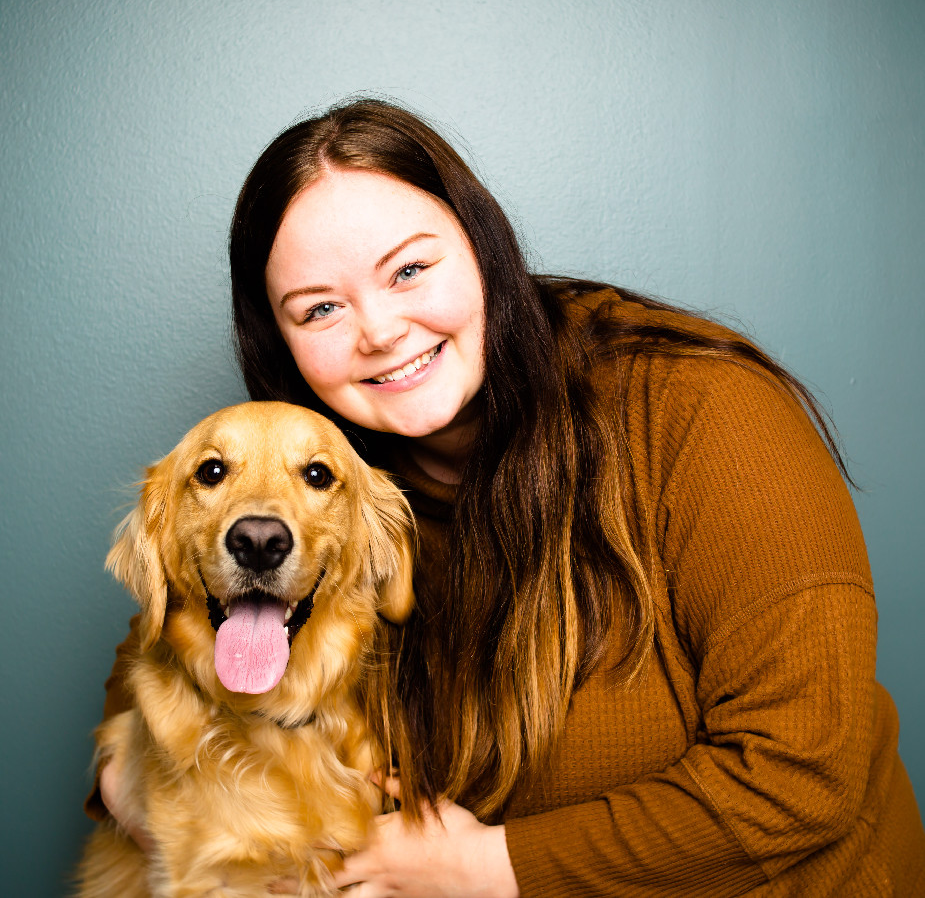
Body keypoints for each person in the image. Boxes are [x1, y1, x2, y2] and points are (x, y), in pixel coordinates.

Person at [88, 98, 925, 896]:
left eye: (410, 269)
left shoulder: (699, 410)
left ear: (484, 248)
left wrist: (488, 870)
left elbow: (802, 770)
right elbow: (182, 627)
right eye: (319, 309)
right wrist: (128, 780)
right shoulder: (322, 477)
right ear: (282, 342)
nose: (378, 331)